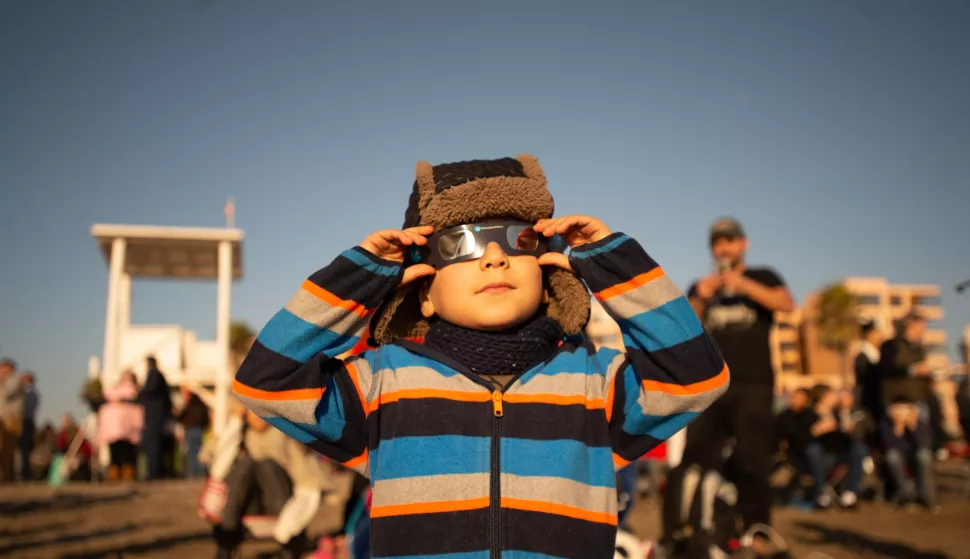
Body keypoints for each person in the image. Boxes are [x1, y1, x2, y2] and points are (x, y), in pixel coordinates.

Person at [233, 155, 729, 559]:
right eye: (460, 244)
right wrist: (360, 278)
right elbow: (265, 381)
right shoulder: (383, 385)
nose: (494, 257)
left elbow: (695, 376)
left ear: (548, 264)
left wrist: (611, 263)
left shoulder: (594, 382)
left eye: (519, 240)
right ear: (422, 290)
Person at [681, 217, 793, 542]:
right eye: (717, 242)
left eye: (729, 240)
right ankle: (695, 529)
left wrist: (741, 285)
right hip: (713, 384)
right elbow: (686, 322)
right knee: (698, 456)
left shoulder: (763, 276)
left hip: (754, 384)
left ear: (743, 244)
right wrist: (701, 295)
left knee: (752, 458)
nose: (723, 247)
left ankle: (759, 531)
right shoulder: (703, 286)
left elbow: (785, 303)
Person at [215, 409, 333, 559]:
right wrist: (236, 422)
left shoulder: (285, 434)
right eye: (253, 411)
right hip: (248, 502)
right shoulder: (241, 434)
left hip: (279, 501)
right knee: (245, 464)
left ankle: (227, 540)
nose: (257, 416)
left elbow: (308, 479)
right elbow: (218, 469)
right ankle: (227, 539)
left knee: (266, 464)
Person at [803, 386, 867, 509]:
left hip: (838, 454)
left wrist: (845, 414)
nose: (836, 398)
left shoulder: (837, 413)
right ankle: (822, 492)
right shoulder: (809, 414)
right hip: (820, 456)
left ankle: (850, 493)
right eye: (833, 395)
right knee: (813, 450)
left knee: (858, 449)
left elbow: (846, 435)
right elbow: (803, 438)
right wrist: (818, 429)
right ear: (824, 397)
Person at [881, 397, 937, 511]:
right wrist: (898, 427)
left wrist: (913, 426)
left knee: (924, 456)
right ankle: (906, 494)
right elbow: (890, 445)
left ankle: (925, 495)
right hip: (899, 455)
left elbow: (925, 443)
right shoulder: (885, 424)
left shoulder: (921, 423)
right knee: (892, 457)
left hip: (916, 454)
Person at [98, 370, 144, 481]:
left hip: (125, 425)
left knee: (124, 450)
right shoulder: (117, 390)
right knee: (118, 450)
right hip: (117, 426)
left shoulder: (131, 391)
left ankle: (124, 471)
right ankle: (118, 471)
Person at [139, 356, 172, 480]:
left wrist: (139, 393)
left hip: (154, 416)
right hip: (158, 415)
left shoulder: (154, 374)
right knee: (156, 444)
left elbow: (150, 391)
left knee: (153, 445)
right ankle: (156, 470)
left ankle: (154, 471)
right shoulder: (159, 375)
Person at [854, 320, 884, 423]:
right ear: (870, 334)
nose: (881, 336)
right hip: (869, 404)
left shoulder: (879, 354)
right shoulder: (862, 357)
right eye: (877, 332)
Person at [0, 358, 24, 482]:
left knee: (9, 449)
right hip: (3, 419)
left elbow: (9, 393)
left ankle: (8, 476)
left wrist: (2, 381)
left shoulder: (15, 379)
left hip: (12, 418)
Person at [178, 387, 210, 478]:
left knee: (191, 453)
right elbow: (205, 418)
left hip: (190, 430)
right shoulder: (201, 404)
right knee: (199, 452)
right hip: (199, 430)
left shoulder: (189, 405)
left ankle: (192, 473)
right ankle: (200, 473)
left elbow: (181, 416)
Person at [19, 372, 39, 481]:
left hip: (26, 422)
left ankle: (25, 473)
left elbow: (26, 409)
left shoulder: (29, 393)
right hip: (27, 422)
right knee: (24, 450)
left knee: (25, 449)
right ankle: (24, 472)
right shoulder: (32, 393)